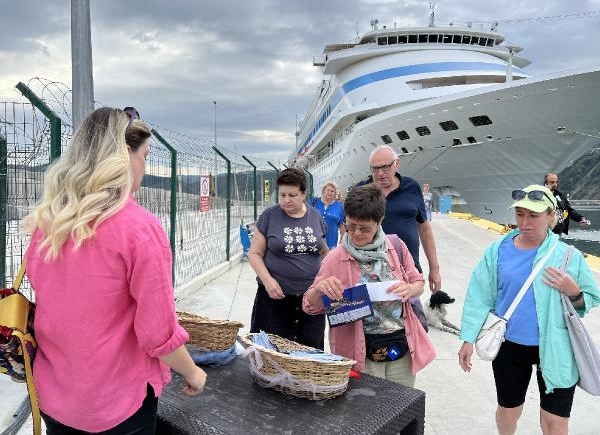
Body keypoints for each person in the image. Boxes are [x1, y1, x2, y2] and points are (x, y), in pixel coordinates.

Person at [22, 107, 207, 434]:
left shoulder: (48, 222)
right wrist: (192, 372)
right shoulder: (138, 228)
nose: (145, 167)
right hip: (117, 405)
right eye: (145, 156)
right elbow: (157, 333)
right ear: (124, 157)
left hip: (55, 395)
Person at [458, 184, 599, 435]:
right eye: (520, 214)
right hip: (510, 346)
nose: (525, 222)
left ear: (550, 216)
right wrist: (468, 338)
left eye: (533, 215)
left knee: (554, 423)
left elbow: (588, 300)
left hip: (556, 346)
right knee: (508, 413)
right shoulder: (498, 251)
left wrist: (573, 291)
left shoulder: (568, 256)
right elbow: (479, 296)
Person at [303, 184, 425, 387]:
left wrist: (411, 289)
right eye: (350, 226)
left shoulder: (395, 246)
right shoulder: (336, 258)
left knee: (400, 407)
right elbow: (309, 305)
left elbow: (418, 281)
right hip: (360, 350)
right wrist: (320, 289)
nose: (356, 233)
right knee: (366, 413)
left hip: (402, 346)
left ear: (380, 222)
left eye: (364, 228)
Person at [248, 167, 329, 349]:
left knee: (308, 348)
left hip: (311, 298)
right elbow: (254, 254)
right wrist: (268, 281)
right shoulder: (269, 216)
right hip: (274, 298)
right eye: (282, 195)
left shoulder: (315, 216)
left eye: (292, 195)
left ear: (304, 194)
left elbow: (324, 252)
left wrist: (325, 280)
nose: (286, 200)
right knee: (271, 350)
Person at [356, 145, 441, 293]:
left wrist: (434, 269)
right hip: (369, 273)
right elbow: (348, 229)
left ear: (397, 164)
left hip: (408, 272)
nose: (380, 174)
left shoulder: (412, 187)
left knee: (411, 313)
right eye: (375, 169)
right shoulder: (360, 191)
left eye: (385, 167)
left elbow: (424, 229)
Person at [311, 181, 345, 249]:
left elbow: (342, 226)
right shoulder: (314, 202)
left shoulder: (339, 206)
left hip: (331, 245)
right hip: (313, 242)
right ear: (323, 191)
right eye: (327, 190)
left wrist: (341, 242)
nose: (329, 192)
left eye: (332, 191)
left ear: (335, 193)